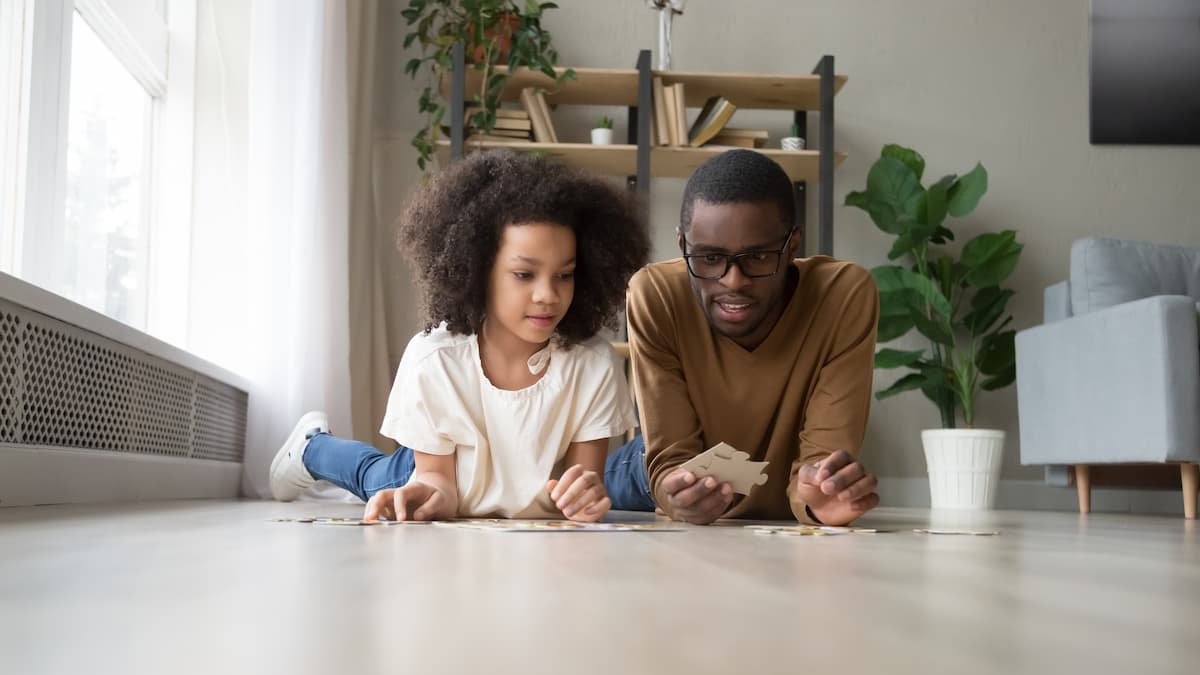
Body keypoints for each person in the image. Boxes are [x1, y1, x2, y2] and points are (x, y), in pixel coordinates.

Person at [269, 150, 650, 522]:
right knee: (374, 477)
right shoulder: (434, 358)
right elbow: (438, 481)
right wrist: (431, 492)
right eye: (524, 274)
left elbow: (586, 481)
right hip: (446, 474)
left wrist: (585, 498)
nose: (548, 295)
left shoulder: (594, 363)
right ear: (479, 269)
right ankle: (311, 447)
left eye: (564, 274)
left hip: (515, 495)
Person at [604, 149, 881, 526]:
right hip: (664, 466)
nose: (733, 281)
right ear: (683, 246)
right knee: (588, 491)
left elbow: (822, 462)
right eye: (709, 258)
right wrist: (675, 494)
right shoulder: (656, 293)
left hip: (778, 478)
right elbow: (669, 456)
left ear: (793, 245)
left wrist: (820, 501)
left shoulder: (843, 296)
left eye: (759, 257)